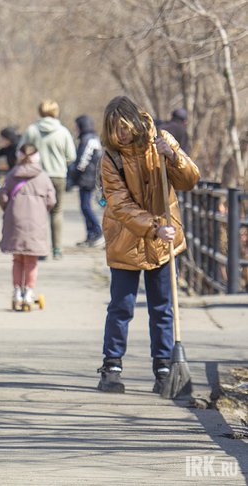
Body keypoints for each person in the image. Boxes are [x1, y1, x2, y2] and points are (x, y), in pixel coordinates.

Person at [96, 95, 200, 395]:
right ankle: (112, 365)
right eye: (115, 129)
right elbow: (118, 203)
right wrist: (155, 227)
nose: (121, 134)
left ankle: (164, 366)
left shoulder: (162, 141)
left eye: (125, 127)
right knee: (121, 306)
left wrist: (174, 156)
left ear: (136, 122)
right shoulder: (110, 158)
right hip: (126, 240)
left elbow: (190, 180)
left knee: (162, 306)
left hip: (164, 241)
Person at [0, 144, 56, 310]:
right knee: (31, 260)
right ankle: (29, 292)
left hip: (14, 221)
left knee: (17, 259)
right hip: (36, 222)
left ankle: (16, 292)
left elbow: (3, 197)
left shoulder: (11, 174)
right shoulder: (43, 177)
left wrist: (8, 208)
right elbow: (52, 200)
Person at [19, 100, 76, 260]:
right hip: (58, 176)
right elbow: (71, 156)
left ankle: (41, 250)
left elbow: (21, 151)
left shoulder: (32, 130)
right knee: (56, 211)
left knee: (39, 213)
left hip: (36, 176)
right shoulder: (63, 131)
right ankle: (57, 249)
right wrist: (60, 162)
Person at [71, 114, 104, 247]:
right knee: (85, 206)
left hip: (88, 177)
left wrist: (74, 175)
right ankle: (90, 235)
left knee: (86, 206)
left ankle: (97, 231)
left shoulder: (88, 139)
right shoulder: (92, 138)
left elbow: (82, 161)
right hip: (90, 176)